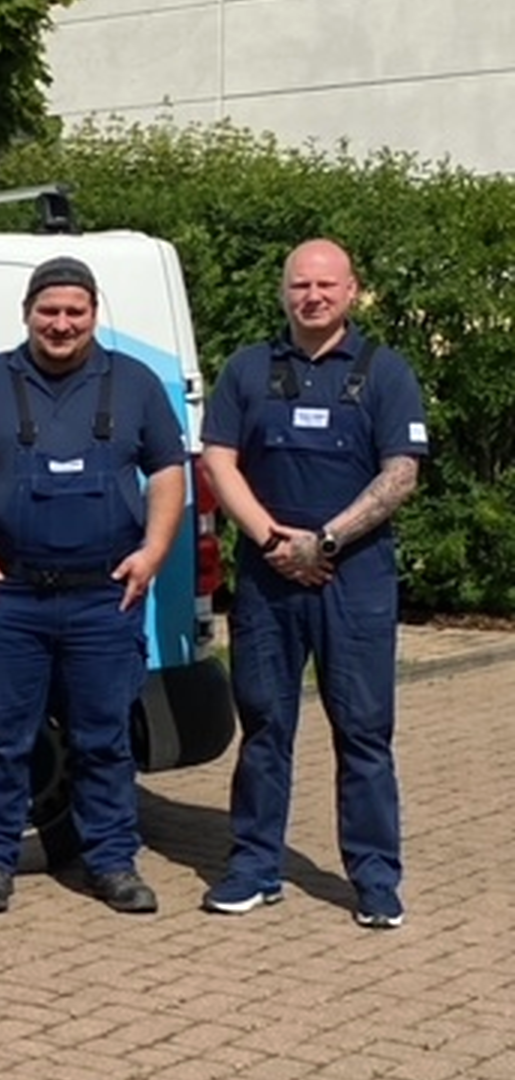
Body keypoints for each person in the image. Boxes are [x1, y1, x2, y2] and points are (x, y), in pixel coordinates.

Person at [0, 256, 186, 916]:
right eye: (49, 311)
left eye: (75, 311)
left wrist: (153, 553)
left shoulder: (134, 383)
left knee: (103, 737)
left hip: (104, 596)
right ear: (27, 313)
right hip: (8, 596)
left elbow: (168, 471)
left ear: (94, 314)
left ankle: (112, 862)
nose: (62, 323)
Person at [199, 239, 428, 929]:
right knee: (265, 725)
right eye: (300, 285)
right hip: (269, 580)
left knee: (363, 731)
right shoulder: (247, 369)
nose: (313, 296)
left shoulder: (386, 373)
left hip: (354, 580)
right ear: (284, 292)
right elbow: (218, 461)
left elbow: (402, 474)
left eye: (326, 285)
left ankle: (376, 879)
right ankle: (253, 867)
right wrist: (272, 540)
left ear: (351, 292)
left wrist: (324, 541)